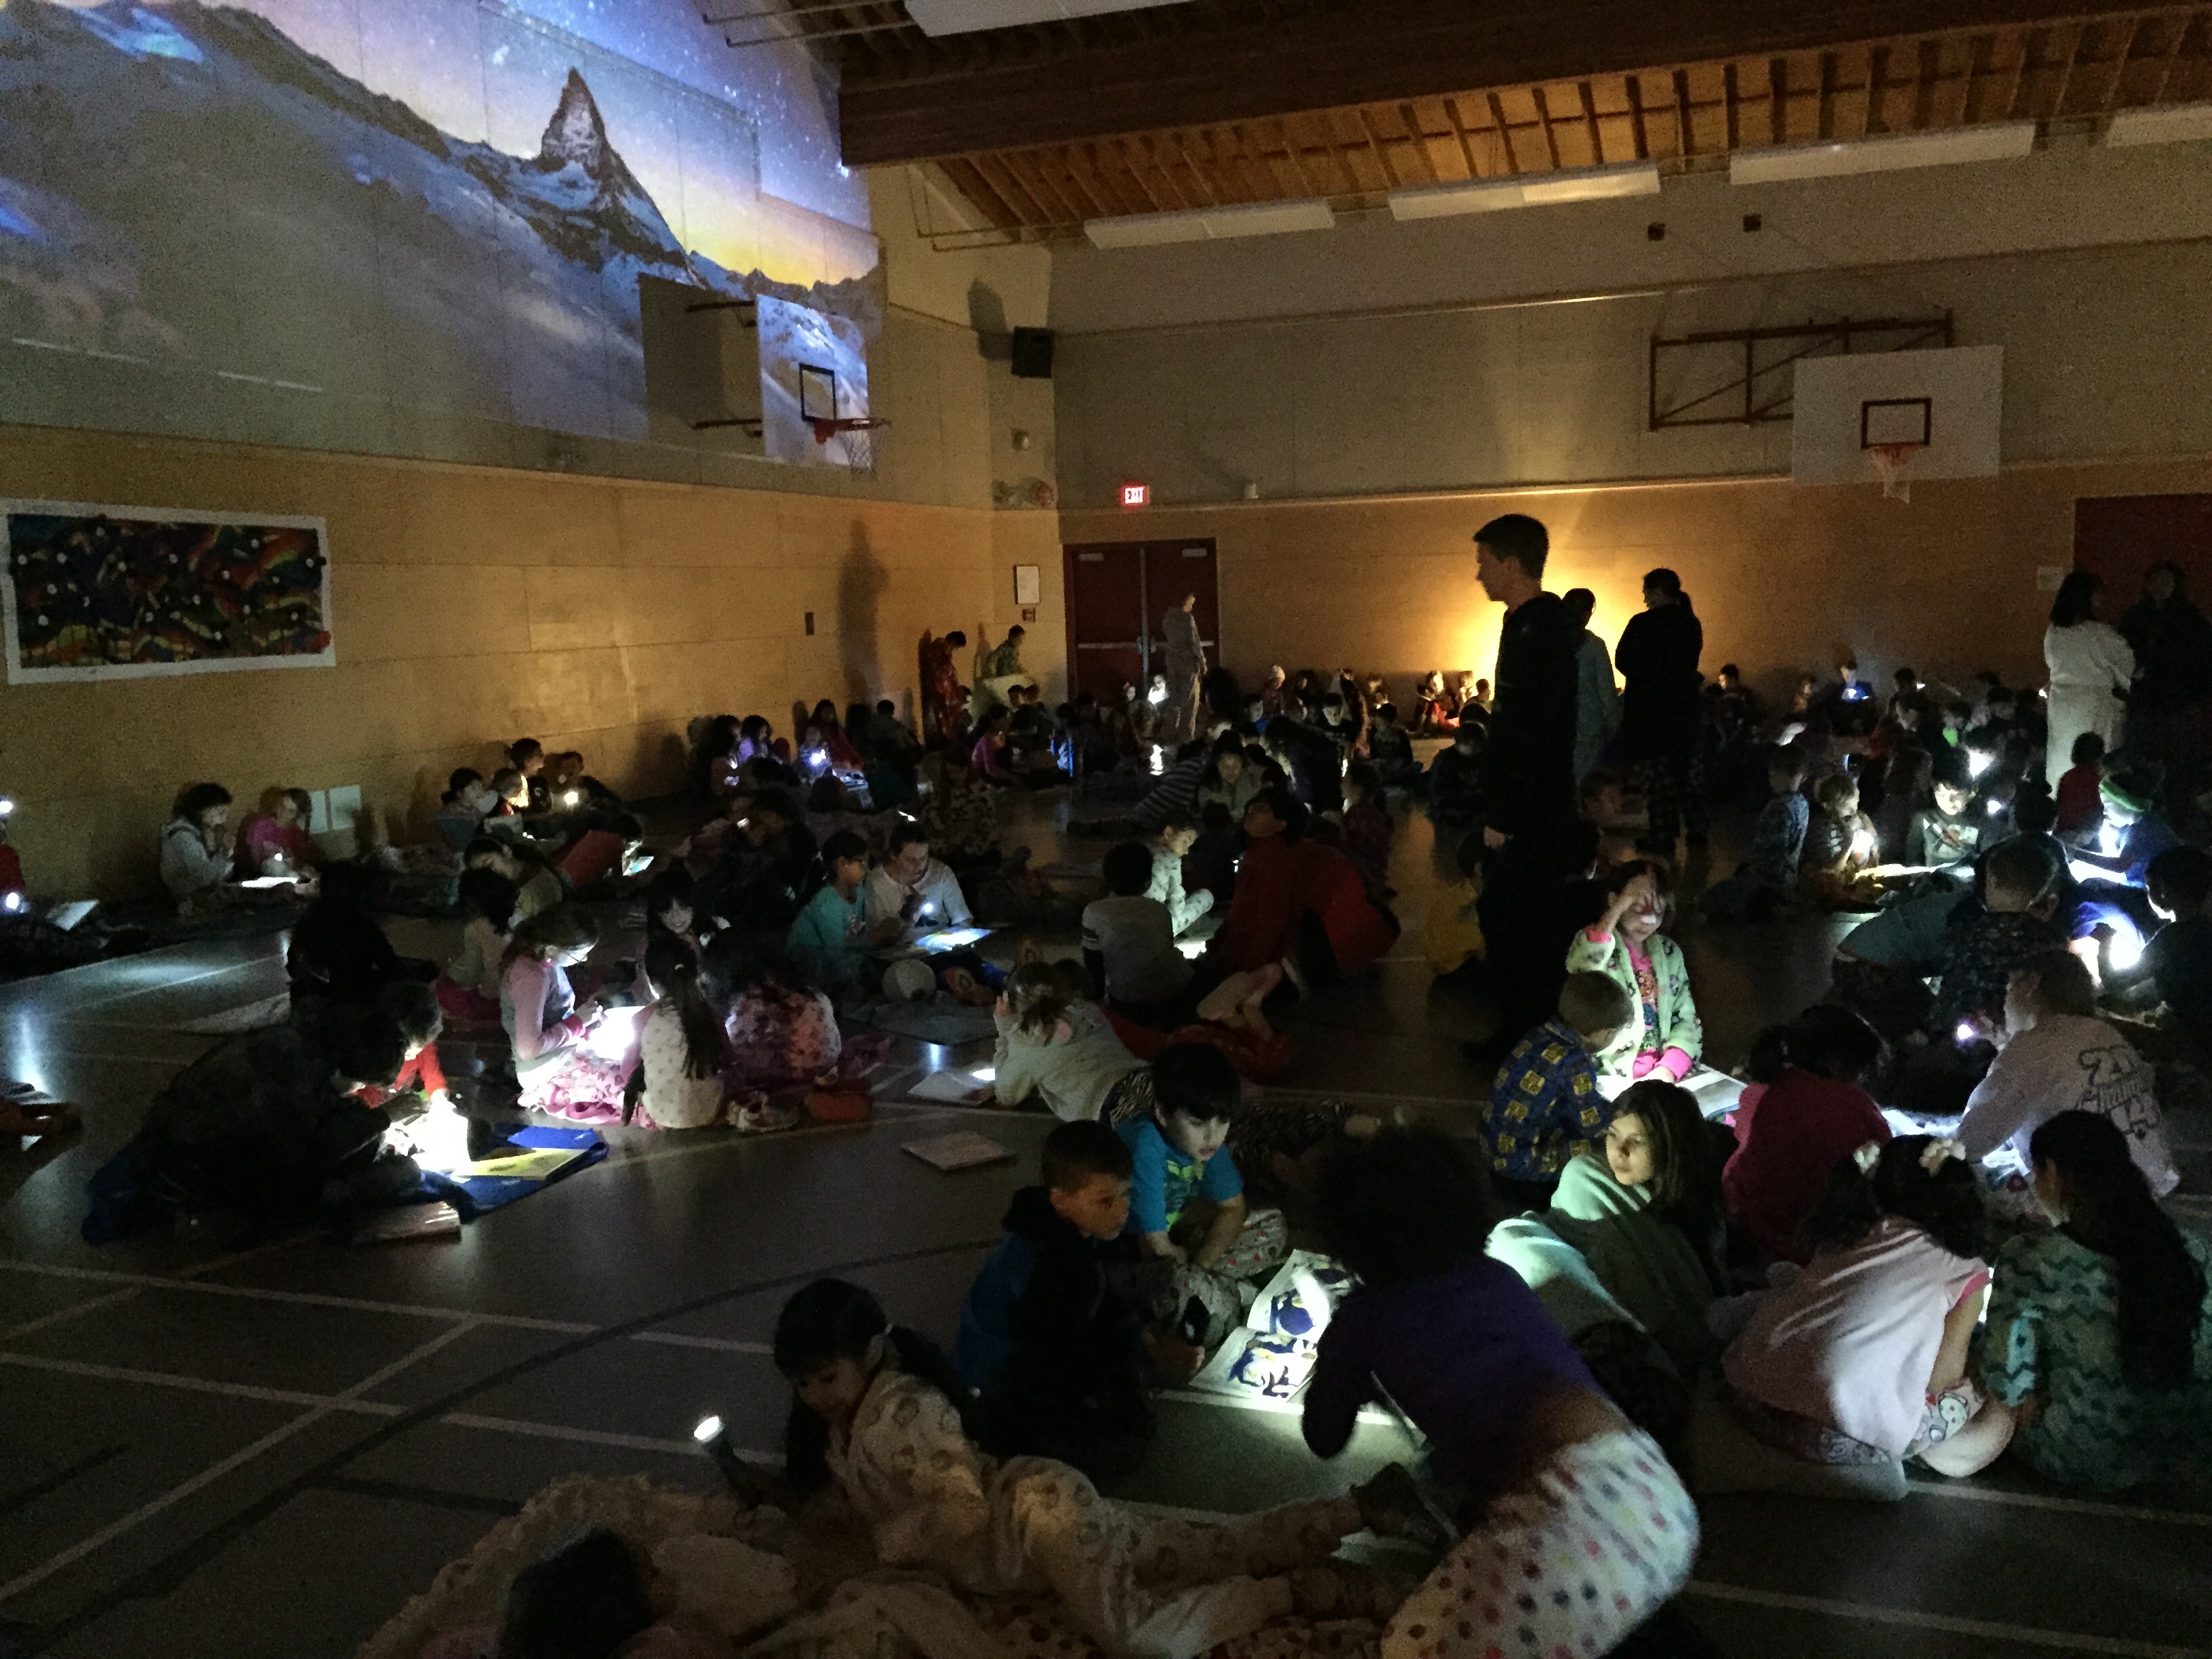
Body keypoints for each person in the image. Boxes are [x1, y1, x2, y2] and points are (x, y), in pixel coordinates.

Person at [772, 1279, 1393, 1659]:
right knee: (1202, 1550)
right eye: (804, 1382)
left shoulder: (906, 1412)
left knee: (1139, 1639)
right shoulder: (846, 1424)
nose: (816, 1394)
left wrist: (882, 1547)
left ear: (873, 1351)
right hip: (1041, 1523)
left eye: (827, 1377)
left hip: (1046, 1518)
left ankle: (1293, 1591)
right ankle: (1356, 1508)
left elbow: (963, 1509)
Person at [1305, 1130, 1698, 1659]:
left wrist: (1343, 1365)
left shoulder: (1363, 1321)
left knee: (1406, 1646)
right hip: (1655, 1494)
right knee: (1610, 1602)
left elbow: (1323, 1437)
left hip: (1564, 1523)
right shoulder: (1499, 1278)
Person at [1727, 1135, 2015, 1478]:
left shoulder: (1846, 1234)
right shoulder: (1969, 1271)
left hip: (1751, 1398)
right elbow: (1942, 1380)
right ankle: (1920, 1448)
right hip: (1840, 1437)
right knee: (1991, 1410)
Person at [1977, 1111, 2212, 1493]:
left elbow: (2006, 1383)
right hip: (2191, 1453)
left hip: (2084, 1457)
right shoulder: (2190, 1249)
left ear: (2051, 1172)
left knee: (1975, 1345)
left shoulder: (2031, 1258)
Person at [954, 1120, 1158, 1479]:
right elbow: (1054, 1360)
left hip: (1037, 1363)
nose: (1121, 1210)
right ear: (1060, 1200)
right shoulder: (1052, 1266)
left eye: (1125, 1194)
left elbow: (1105, 1306)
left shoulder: (1086, 1232)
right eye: (1105, 1200)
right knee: (1126, 1447)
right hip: (999, 1386)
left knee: (1132, 1401)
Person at [1472, 514, 1582, 1040]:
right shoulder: (1533, 625)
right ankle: (1515, 1030)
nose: (1479, 575)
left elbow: (1528, 730)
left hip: (1533, 811)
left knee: (1520, 925)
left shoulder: (1539, 632)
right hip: (1537, 804)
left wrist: (1505, 815)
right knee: (1512, 920)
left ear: (1511, 565)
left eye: (1484, 563)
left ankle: (1524, 1037)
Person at [1957, 951, 2177, 1198]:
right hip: (2155, 1179)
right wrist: (2005, 1046)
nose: (2005, 1005)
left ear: (2031, 985)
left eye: (2009, 989)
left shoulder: (2031, 1049)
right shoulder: (2104, 1032)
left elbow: (1972, 1140)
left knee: (1985, 1172)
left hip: (2097, 1203)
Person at [1111, 1044, 1286, 1347]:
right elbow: (1155, 1248)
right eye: (1198, 1123)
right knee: (1173, 1294)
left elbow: (1234, 1208)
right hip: (1126, 1259)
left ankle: (1215, 1294)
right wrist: (1189, 1273)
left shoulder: (1203, 1145)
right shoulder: (1144, 1145)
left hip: (1173, 1251)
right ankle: (1225, 1299)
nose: (1213, 1136)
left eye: (1223, 1121)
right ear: (1163, 1113)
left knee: (1272, 1223)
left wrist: (1200, 1267)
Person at [1723, 1004, 1890, 1263]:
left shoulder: (1780, 1086)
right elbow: (1885, 1171)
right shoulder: (1854, 1108)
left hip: (1750, 1224)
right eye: (1861, 1071)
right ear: (1837, 1065)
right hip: (1805, 1248)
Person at [1203, 787, 1395, 989]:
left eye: (1262, 809)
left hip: (1317, 952)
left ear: (1281, 824)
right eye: (1252, 806)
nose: (1251, 811)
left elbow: (1270, 924)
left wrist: (1239, 970)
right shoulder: (1262, 854)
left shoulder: (1276, 860)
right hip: (1340, 937)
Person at [1481, 970, 1633, 1208]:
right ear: (1607, 1033)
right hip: (1520, 1161)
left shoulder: (1539, 1034)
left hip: (1493, 1147)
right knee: (1606, 1147)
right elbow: (1594, 1126)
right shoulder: (1576, 1062)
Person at [1565, 859, 1702, 1082]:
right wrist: (1622, 903)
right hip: (1607, 1075)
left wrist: (1670, 1068)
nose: (1648, 920)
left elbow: (1686, 1019)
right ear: (1614, 901)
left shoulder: (1670, 953)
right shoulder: (1599, 946)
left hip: (1662, 1073)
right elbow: (1583, 968)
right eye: (1638, 908)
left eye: (1658, 913)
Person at [501, 905, 634, 1120]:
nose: (583, 961)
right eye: (580, 955)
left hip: (563, 1053)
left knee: (631, 1066)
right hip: (544, 1068)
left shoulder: (546, 963)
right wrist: (578, 1022)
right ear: (553, 948)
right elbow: (529, 1048)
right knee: (626, 1087)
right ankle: (542, 1093)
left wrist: (584, 1021)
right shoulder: (532, 976)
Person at [1615, 567, 1707, 853]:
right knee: (1687, 774)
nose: (1644, 599)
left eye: (1646, 593)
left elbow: (1622, 661)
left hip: (1648, 712)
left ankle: (1663, 835)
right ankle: (1697, 830)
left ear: (1656, 592)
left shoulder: (1642, 624)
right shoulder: (1690, 623)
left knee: (1657, 778)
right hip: (1683, 710)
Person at [989, 960, 1144, 1123]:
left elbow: (1007, 1094)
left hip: (1114, 1110)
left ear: (1012, 1002)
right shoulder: (1087, 1010)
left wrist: (1006, 1030)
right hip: (1143, 1080)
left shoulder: (1028, 1042)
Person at [708, 934, 842, 1112]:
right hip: (823, 1063)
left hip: (771, 1077)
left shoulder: (746, 1003)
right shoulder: (808, 992)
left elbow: (734, 1044)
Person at [2118, 560, 2212, 797]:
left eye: (2166, 582)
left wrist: (2192, 694)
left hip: (2177, 703)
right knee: (2140, 757)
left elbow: (2202, 659)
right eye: (2155, 581)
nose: (2160, 586)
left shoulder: (2190, 619)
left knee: (2178, 763)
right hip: (2143, 701)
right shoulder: (2136, 616)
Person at [2044, 571, 2136, 787]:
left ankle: (2061, 798)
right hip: (2092, 702)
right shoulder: (2099, 633)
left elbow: (2051, 662)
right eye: (2097, 593)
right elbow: (2127, 663)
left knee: (2062, 753)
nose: (2101, 598)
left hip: (2061, 702)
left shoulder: (2054, 631)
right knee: (2092, 754)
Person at [630, 936, 730, 1130]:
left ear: (651, 980)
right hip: (713, 1108)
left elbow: (628, 1068)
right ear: (695, 974)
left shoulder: (643, 1017)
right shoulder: (710, 1012)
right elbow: (728, 1057)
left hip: (660, 1115)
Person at [1704, 750, 1811, 921]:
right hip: (1789, 876)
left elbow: (1770, 855)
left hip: (1768, 879)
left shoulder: (1778, 808)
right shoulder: (1802, 803)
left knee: (1715, 898)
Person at [786, 830, 895, 996]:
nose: (867, 871)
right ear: (842, 864)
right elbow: (835, 951)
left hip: (839, 957)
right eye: (863, 864)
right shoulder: (826, 902)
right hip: (811, 963)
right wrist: (875, 937)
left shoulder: (858, 891)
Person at [2143, 845, 2212, 1052]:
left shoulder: (2171, 938)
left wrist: (2105, 938)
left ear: (2163, 891)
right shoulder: (2204, 927)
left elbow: (2116, 980)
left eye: (2149, 888)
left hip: (2197, 1041)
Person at [863, 823, 975, 945]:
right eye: (911, 860)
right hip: (899, 951)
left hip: (941, 946)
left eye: (923, 858)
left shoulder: (940, 873)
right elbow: (876, 938)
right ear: (894, 856)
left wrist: (962, 940)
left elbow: (962, 918)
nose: (919, 866)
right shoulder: (876, 882)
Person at [438, 867, 516, 1023]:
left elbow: (470, 974)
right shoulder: (519, 917)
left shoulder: (476, 929)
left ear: (472, 904)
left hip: (500, 1001)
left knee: (442, 991)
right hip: (527, 995)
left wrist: (447, 972)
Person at [1798, 774, 1883, 911]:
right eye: (1847, 808)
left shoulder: (1857, 819)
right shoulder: (1820, 829)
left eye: (1856, 804)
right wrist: (1849, 842)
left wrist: (1869, 835)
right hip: (1832, 872)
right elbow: (1832, 869)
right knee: (1824, 881)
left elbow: (1873, 849)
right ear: (1828, 806)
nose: (1854, 811)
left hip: (1853, 871)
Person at [1561, 587, 1619, 783]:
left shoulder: (1551, 643)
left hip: (1556, 724)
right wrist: (1612, 725)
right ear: (1587, 614)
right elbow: (1607, 693)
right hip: (1588, 727)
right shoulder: (1594, 646)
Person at [160, 783, 239, 912]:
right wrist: (223, 854)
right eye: (220, 812)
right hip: (186, 898)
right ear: (202, 809)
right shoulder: (182, 836)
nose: (223, 819)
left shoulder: (201, 832)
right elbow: (202, 879)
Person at [1420, 829, 1486, 975]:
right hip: (1460, 967)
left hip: (1447, 964)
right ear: (1479, 869)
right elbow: (1483, 948)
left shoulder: (1456, 895)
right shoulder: (1472, 903)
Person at [1908, 754, 1982, 875]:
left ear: (1969, 793)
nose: (1949, 801)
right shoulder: (1923, 819)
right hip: (1933, 885)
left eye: (1956, 795)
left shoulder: (1980, 822)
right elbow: (1913, 856)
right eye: (1941, 795)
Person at [1145, 815, 1212, 937]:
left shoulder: (1139, 850)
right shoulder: (1171, 859)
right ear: (1168, 833)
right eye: (1186, 841)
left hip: (1131, 918)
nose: (1186, 851)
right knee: (1206, 896)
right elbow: (1176, 900)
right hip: (1159, 929)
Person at [234, 787, 319, 879]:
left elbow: (301, 862)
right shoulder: (261, 826)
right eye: (282, 806)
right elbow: (252, 857)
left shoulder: (297, 835)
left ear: (297, 815)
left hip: (288, 875)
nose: (283, 813)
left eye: (290, 811)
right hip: (262, 875)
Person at [1159, 592, 1206, 748]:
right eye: (1190, 604)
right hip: (1187, 664)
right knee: (1190, 700)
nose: (1191, 607)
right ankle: (1186, 738)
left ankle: (1170, 732)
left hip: (1172, 660)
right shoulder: (1187, 619)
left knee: (1175, 697)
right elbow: (1195, 642)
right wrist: (1202, 663)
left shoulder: (1167, 617)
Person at [1337, 760, 1391, 890]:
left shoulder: (1360, 815)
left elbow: (1358, 848)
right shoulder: (1368, 811)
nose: (1342, 783)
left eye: (1346, 780)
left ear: (1358, 788)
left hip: (1365, 871)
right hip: (1374, 870)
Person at [1423, 722, 1483, 825]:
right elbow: (1439, 792)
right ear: (1464, 743)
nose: (1479, 749)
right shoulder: (1445, 761)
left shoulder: (1480, 756)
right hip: (1452, 801)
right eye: (1476, 746)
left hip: (1472, 799)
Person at [920, 629, 968, 744]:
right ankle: (950, 740)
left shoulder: (934, 647)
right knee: (947, 715)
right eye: (956, 647)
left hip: (936, 687)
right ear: (954, 642)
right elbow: (946, 670)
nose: (955, 650)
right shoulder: (944, 649)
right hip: (942, 688)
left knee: (943, 714)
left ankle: (949, 738)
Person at [2055, 731, 2107, 839]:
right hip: (2089, 836)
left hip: (2065, 834)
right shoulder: (2100, 781)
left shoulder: (2067, 778)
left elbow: (2059, 809)